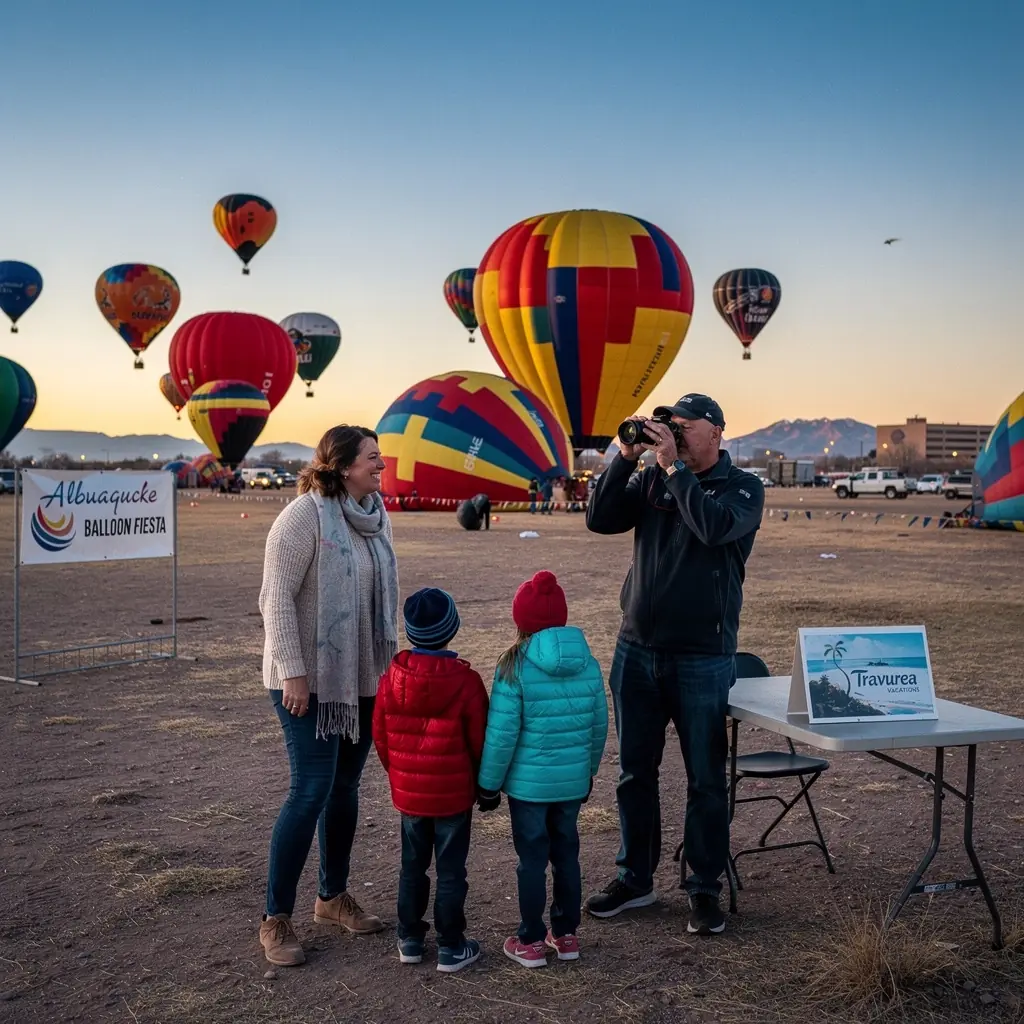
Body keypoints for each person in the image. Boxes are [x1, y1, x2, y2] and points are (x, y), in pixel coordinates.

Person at [584, 394, 764, 936]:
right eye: (672, 426)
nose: (677, 433)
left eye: (685, 427)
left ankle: (703, 887)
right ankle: (635, 878)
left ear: (716, 432)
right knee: (635, 773)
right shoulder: (654, 475)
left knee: (706, 778)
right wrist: (622, 457)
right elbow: (600, 518)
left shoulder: (744, 488)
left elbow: (712, 529)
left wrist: (671, 468)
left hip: (703, 657)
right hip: (637, 648)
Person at [258, 425, 399, 967]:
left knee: (345, 786)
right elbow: (276, 600)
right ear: (341, 466)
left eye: (380, 456)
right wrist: (294, 672)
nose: (381, 465)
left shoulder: (376, 517)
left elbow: (379, 596)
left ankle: (331, 897)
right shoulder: (302, 518)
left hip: (361, 677)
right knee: (311, 789)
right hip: (308, 681)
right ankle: (275, 917)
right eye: (371, 458)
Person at [478, 571, 609, 968]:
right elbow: (598, 725)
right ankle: (567, 935)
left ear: (520, 620)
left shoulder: (513, 665)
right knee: (567, 854)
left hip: (528, 789)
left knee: (531, 859)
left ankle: (531, 939)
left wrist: (488, 785)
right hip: (570, 785)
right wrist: (588, 771)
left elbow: (501, 735)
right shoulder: (588, 663)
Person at [373, 588, 489, 973]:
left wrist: (400, 776)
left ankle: (409, 938)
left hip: (411, 797)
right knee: (452, 871)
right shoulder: (467, 683)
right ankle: (451, 945)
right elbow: (480, 741)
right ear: (451, 630)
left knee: (412, 866)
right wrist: (479, 784)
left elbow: (381, 735)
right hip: (454, 797)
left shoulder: (391, 679)